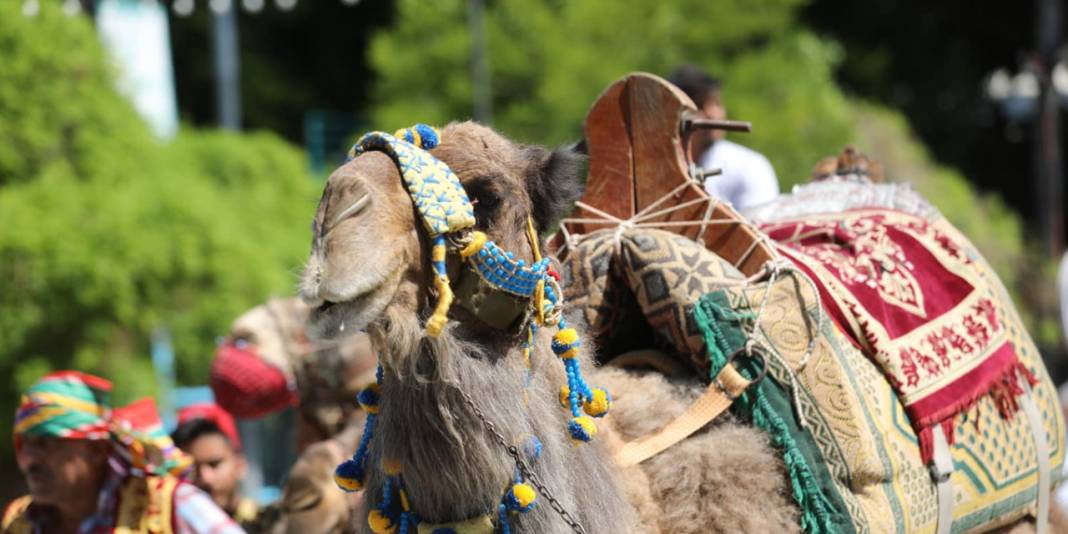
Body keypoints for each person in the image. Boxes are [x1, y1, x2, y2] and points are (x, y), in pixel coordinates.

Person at [2, 370, 244, 534]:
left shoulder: (168, 504)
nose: (30, 458)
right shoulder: (18, 522)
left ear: (97, 450)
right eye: (26, 444)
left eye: (46, 443)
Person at [668, 65, 780, 210]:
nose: (712, 114)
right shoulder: (653, 167)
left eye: (717, 103)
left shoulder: (750, 167)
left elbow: (757, 226)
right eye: (700, 105)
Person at [172, 403, 259, 526]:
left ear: (240, 466)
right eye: (191, 469)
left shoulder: (270, 524)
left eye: (214, 464)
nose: (205, 478)